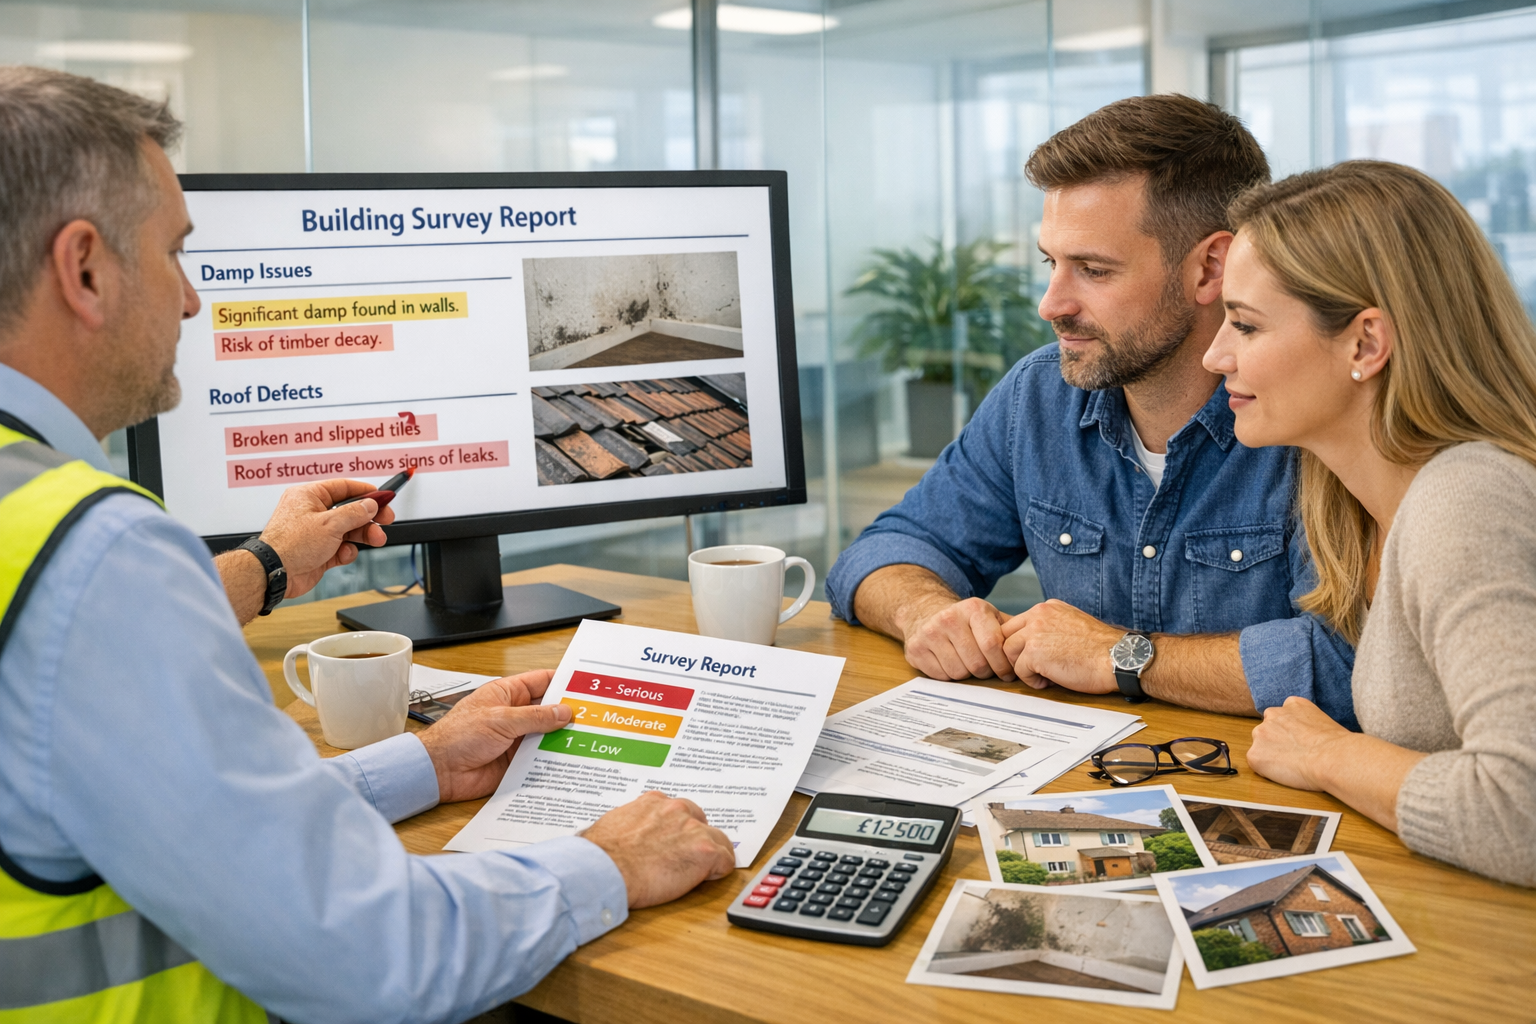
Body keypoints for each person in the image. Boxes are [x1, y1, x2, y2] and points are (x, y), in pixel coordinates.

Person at [0, 66, 736, 1023]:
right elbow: (367, 955)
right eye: (175, 255)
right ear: (85, 268)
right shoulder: (94, 552)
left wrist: (424, 763)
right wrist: (608, 863)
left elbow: (182, 815)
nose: (190, 302)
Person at [826, 94, 1357, 723]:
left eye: (1093, 270)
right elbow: (887, 549)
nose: (1051, 304)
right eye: (1052, 263)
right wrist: (925, 612)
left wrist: (1124, 657)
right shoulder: (1039, 396)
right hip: (1085, 777)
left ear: (1210, 267)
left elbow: (1352, 665)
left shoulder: (1306, 413)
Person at [1207, 160, 1536, 888]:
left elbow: (1525, 813)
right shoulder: (1355, 501)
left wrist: (1329, 755)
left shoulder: (1465, 503)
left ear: (1364, 345)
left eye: (1246, 325)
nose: (1215, 355)